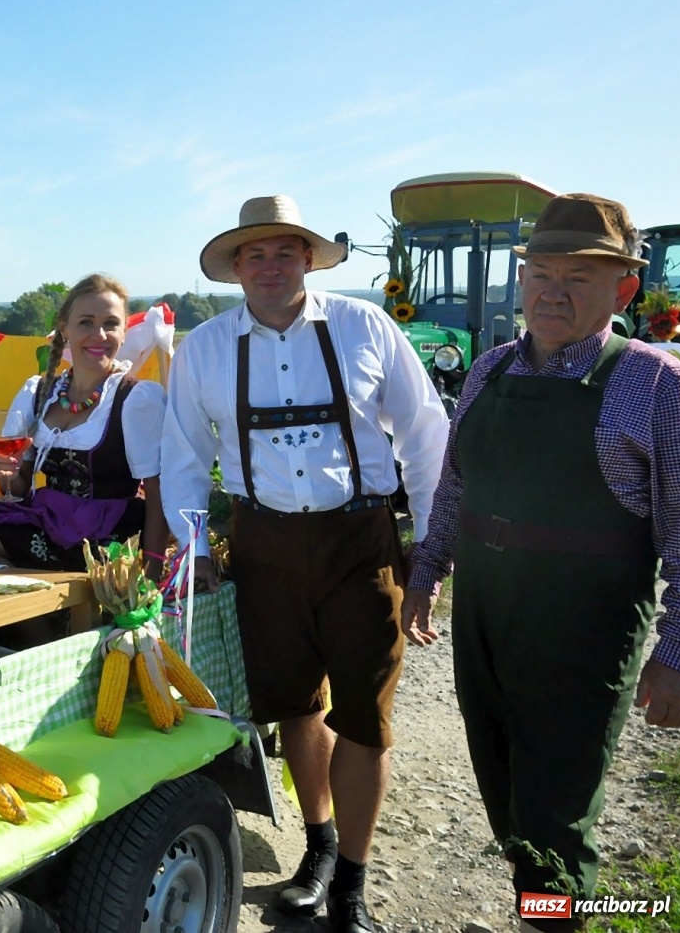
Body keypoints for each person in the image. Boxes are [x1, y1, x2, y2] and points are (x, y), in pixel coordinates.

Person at [160, 196, 449, 933]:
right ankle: (317, 845)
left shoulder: (365, 326)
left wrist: (432, 548)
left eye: (285, 250)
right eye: (254, 254)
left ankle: (351, 880)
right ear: (234, 269)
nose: (270, 264)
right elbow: (185, 457)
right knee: (294, 703)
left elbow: (424, 433)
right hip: (264, 543)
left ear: (310, 258)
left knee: (366, 714)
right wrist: (196, 551)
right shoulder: (205, 347)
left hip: (361, 540)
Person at [403, 193, 680, 924]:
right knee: (506, 803)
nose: (552, 291)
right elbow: (457, 482)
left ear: (623, 288)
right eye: (541, 273)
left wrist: (679, 650)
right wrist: (427, 568)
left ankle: (551, 916)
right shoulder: (490, 369)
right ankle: (541, 910)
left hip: (582, 640)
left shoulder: (656, 385)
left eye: (579, 278)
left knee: (555, 827)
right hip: (484, 625)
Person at [0, 274, 169, 570]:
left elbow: (158, 492)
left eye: (110, 323)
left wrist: (152, 569)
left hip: (103, 529)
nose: (99, 334)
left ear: (124, 331)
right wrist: (8, 475)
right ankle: (24, 605)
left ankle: (44, 614)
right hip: (52, 513)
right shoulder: (41, 393)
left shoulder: (136, 399)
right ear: (65, 329)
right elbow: (20, 489)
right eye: (86, 322)